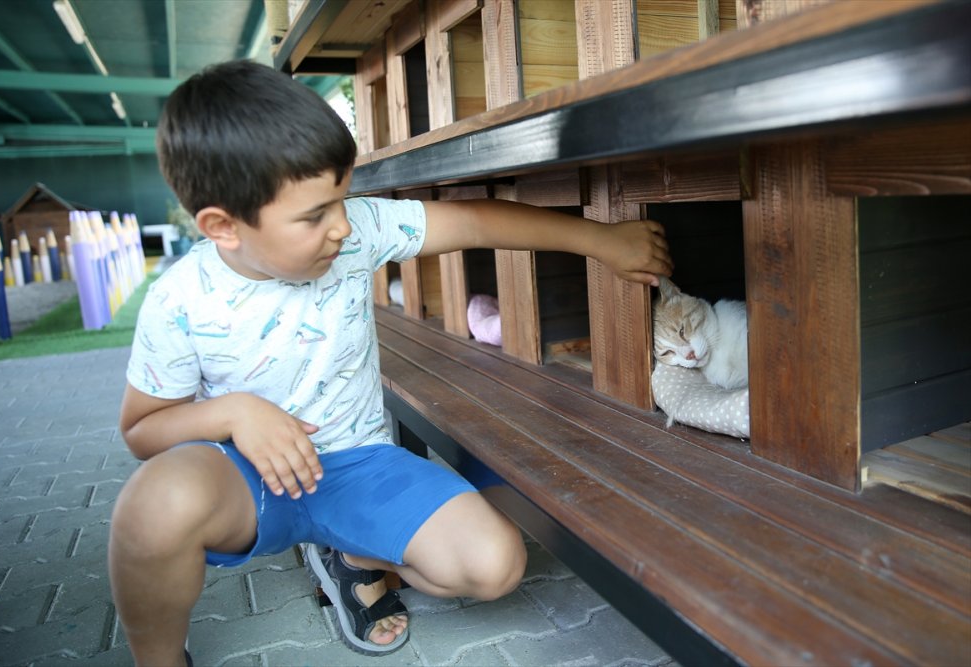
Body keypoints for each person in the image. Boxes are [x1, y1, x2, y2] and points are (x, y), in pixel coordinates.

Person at [108, 59, 673, 667]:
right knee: (152, 508)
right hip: (248, 479)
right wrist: (237, 414)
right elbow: (143, 429)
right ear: (223, 225)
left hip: (360, 464)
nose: (342, 226)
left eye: (342, 200)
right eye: (314, 215)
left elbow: (473, 221)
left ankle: (354, 555)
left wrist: (601, 240)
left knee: (496, 564)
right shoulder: (178, 299)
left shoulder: (358, 233)